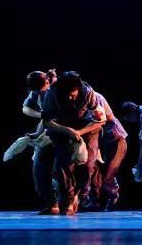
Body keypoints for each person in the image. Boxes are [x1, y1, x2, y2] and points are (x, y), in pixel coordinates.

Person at [39, 71, 106, 215]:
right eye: (66, 95)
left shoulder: (88, 92)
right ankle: (68, 199)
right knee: (63, 166)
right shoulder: (52, 94)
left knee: (88, 165)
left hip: (87, 128)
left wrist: (80, 132)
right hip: (62, 128)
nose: (70, 98)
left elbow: (101, 120)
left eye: (73, 95)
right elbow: (46, 122)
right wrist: (67, 131)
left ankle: (77, 194)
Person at [83, 90, 128, 211]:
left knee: (109, 173)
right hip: (98, 138)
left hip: (114, 137)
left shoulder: (94, 97)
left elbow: (100, 120)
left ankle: (114, 196)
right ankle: (94, 200)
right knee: (93, 169)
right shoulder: (80, 99)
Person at [21, 69, 58, 214]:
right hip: (49, 131)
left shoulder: (56, 91)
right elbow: (27, 109)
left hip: (63, 132)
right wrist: (38, 132)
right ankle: (53, 203)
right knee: (40, 169)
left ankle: (66, 202)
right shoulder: (37, 92)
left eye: (41, 89)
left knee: (60, 170)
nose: (40, 93)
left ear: (48, 82)